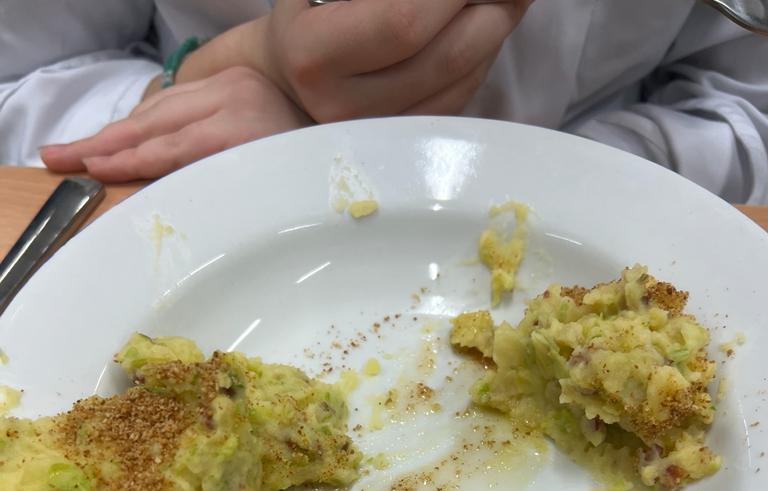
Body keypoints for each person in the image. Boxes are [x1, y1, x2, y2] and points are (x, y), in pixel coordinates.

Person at [1, 0, 766, 202]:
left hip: (610, 218)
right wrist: (215, 76)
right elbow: (22, 77)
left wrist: (547, 172)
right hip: (209, 199)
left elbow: (747, 110)